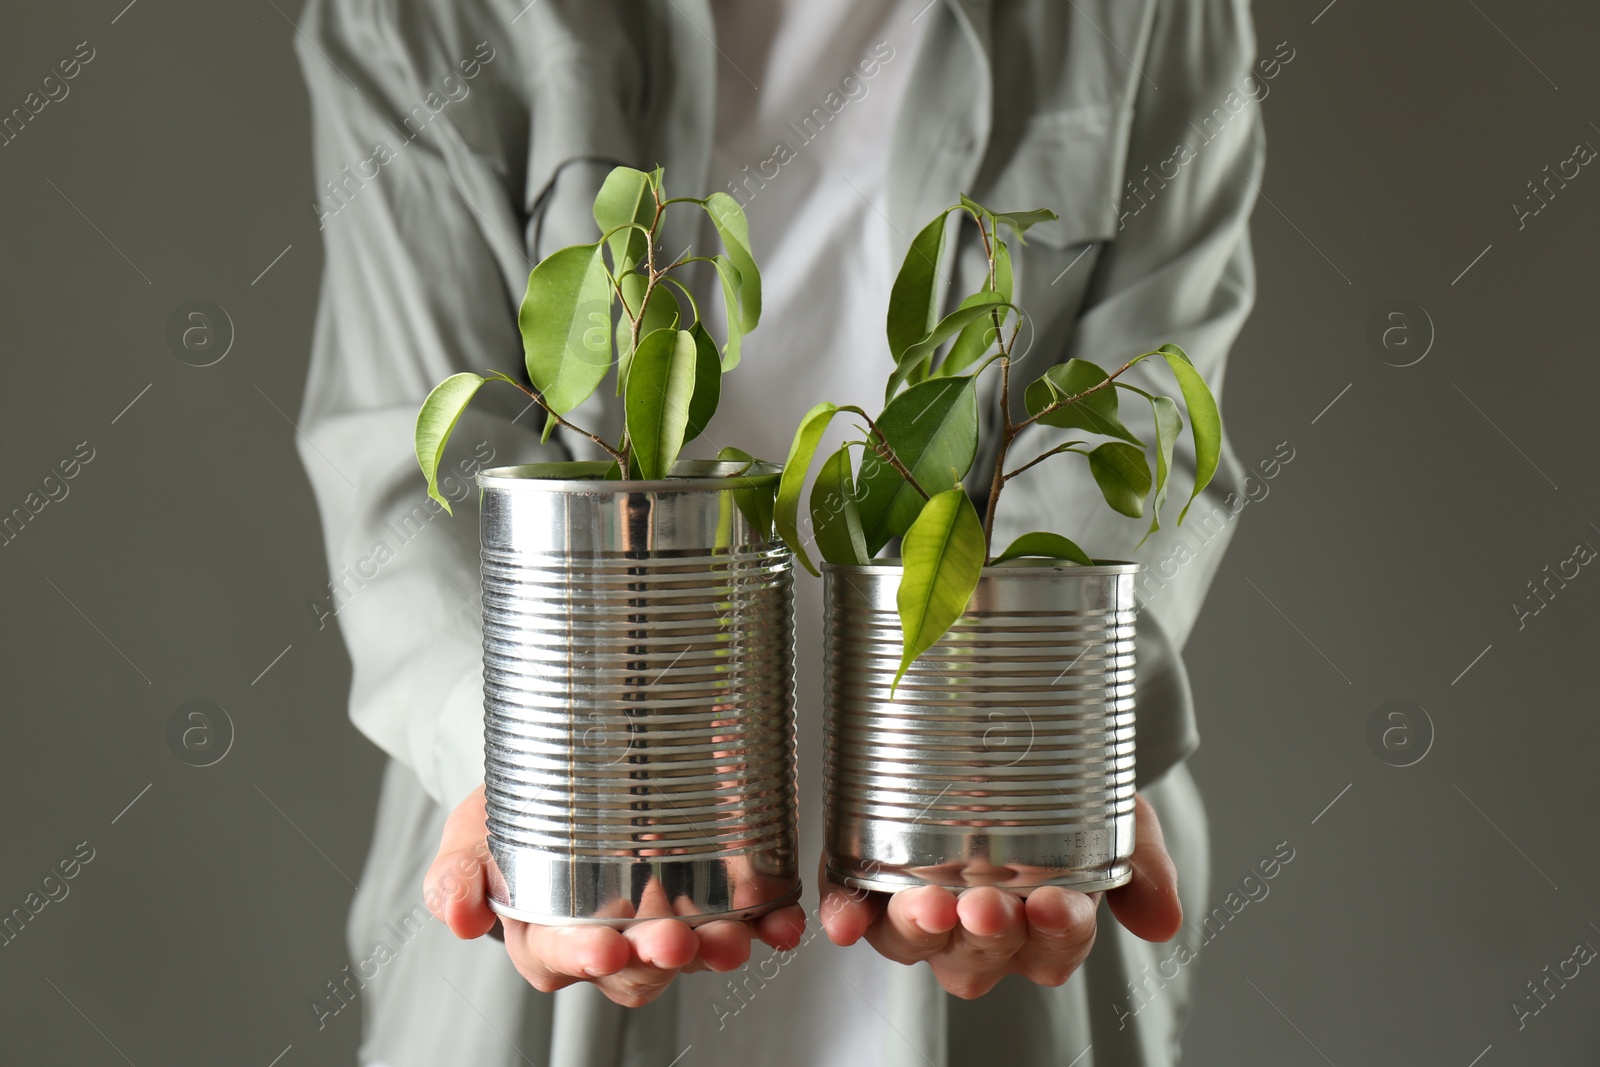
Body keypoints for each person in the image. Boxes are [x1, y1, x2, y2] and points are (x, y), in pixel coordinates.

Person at [293, 0, 1262, 1063]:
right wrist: (529, 778)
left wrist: (1051, 739)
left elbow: (1145, 431)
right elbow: (414, 455)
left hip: (993, 895)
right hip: (563, 937)